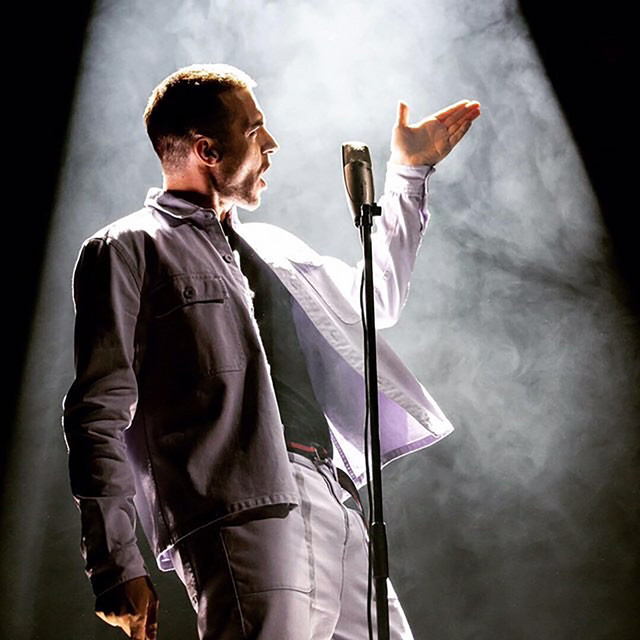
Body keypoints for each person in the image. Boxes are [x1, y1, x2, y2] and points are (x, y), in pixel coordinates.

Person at [62, 63, 480, 640]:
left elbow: (376, 301)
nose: (272, 144)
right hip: (243, 511)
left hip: (333, 497)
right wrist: (113, 562)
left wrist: (409, 175)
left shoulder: (273, 248)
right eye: (255, 129)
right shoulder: (128, 247)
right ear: (207, 150)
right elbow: (96, 413)